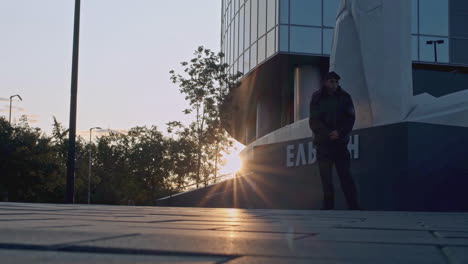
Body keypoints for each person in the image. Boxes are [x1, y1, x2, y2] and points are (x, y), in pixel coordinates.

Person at [309, 71, 360, 210]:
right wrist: (327, 133)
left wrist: (339, 132)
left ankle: (354, 206)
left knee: (345, 175)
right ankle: (328, 207)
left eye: (336, 82)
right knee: (326, 178)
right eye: (331, 81)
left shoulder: (345, 97)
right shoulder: (317, 97)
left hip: (340, 143)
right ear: (325, 82)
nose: (334, 84)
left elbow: (350, 118)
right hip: (323, 144)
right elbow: (313, 120)